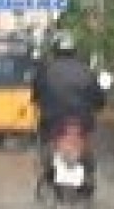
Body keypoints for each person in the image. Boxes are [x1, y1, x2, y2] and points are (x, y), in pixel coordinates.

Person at [31, 31, 107, 190]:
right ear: (74, 51)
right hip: (82, 122)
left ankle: (48, 172)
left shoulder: (45, 70)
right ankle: (88, 174)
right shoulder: (87, 71)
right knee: (89, 144)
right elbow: (100, 100)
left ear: (55, 50)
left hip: (53, 122)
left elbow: (36, 96)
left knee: (43, 141)